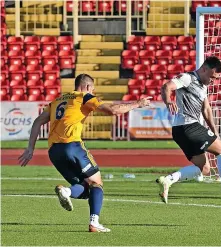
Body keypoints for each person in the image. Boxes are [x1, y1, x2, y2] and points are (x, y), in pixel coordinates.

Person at [18, 74, 152, 232]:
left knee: (86, 187)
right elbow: (113, 110)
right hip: (72, 146)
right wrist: (138, 103)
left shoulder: (58, 100)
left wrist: (30, 148)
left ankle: (67, 191)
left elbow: (38, 121)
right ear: (88, 87)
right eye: (93, 89)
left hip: (54, 151)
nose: (93, 92)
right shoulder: (85, 97)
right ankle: (93, 222)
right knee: (97, 183)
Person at [156, 56, 221, 203]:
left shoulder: (203, 86)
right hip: (189, 126)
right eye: (212, 77)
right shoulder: (187, 78)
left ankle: (168, 180)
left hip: (180, 131)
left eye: (215, 78)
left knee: (204, 169)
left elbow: (206, 110)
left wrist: (215, 132)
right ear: (204, 69)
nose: (213, 81)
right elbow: (166, 87)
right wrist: (168, 101)